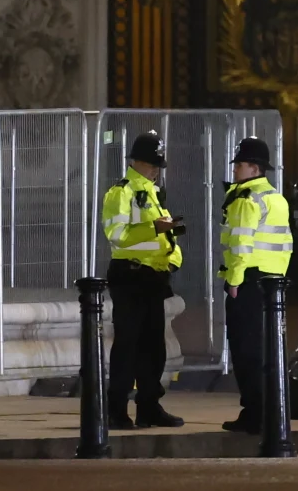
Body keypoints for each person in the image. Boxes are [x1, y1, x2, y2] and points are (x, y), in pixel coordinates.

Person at [101, 130, 185, 430]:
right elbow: (117, 236)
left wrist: (173, 260)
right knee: (128, 345)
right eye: (152, 164)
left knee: (153, 347)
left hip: (153, 277)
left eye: (158, 165)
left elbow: (167, 237)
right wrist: (154, 228)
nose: (156, 170)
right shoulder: (121, 192)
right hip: (130, 275)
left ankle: (149, 407)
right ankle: (116, 410)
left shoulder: (152, 193)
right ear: (136, 161)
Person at [219, 137, 293, 435]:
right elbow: (285, 244)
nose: (235, 168)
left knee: (245, 350)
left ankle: (254, 413)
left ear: (255, 168)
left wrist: (234, 281)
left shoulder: (245, 199)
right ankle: (271, 410)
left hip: (248, 281)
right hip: (272, 282)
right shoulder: (276, 198)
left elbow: (240, 244)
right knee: (267, 350)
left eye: (240, 164)